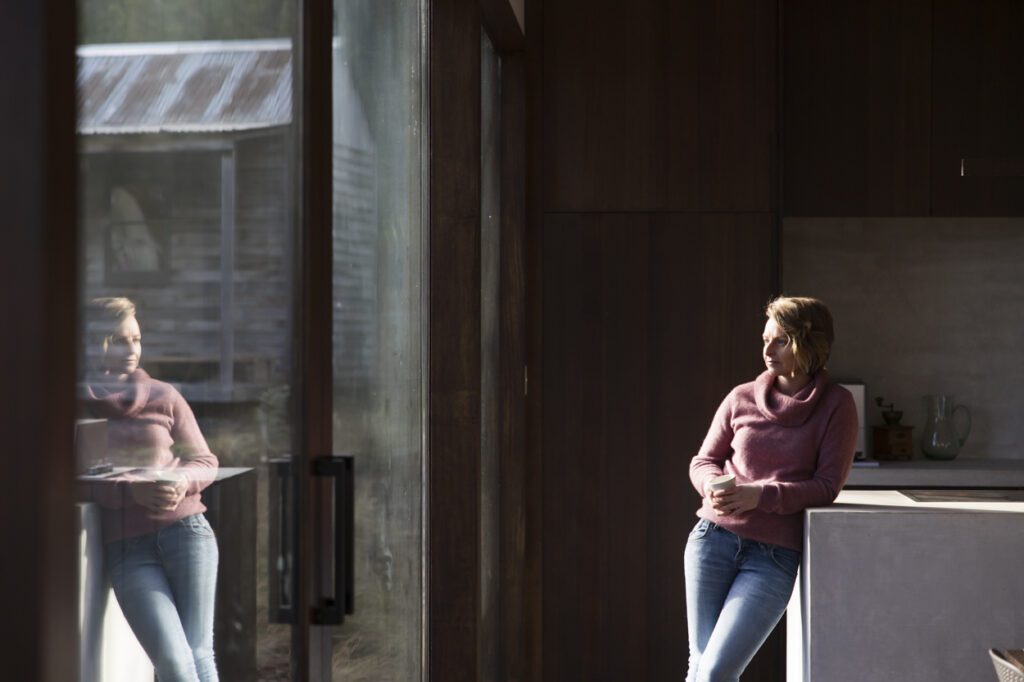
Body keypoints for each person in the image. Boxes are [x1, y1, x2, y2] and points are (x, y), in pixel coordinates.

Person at [684, 296, 858, 682]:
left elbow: (827, 486)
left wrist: (760, 494)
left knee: (714, 672)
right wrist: (711, 485)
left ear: (808, 344)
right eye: (765, 339)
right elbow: (702, 461)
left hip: (773, 557)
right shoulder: (740, 397)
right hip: (712, 540)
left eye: (779, 340)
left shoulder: (837, 405)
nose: (766, 349)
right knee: (700, 666)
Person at [80, 297, 220, 682]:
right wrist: (130, 493)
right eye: (117, 339)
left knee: (198, 654)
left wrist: (181, 481)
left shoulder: (164, 395)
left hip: (188, 533)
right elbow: (71, 480)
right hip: (127, 548)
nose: (131, 349)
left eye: (136, 338)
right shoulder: (73, 404)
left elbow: (205, 460)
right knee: (175, 662)